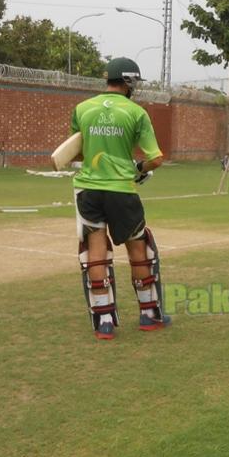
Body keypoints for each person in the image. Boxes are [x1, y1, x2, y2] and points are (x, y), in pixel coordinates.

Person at [70, 57, 170, 340]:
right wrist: (138, 168)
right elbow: (156, 159)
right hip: (121, 190)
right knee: (139, 248)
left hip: (88, 189)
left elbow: (76, 151)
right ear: (127, 81)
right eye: (134, 81)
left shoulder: (81, 109)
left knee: (95, 249)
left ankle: (104, 321)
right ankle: (149, 315)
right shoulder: (136, 112)